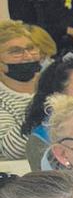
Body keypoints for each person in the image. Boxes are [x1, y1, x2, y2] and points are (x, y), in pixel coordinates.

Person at [0, 21, 42, 159]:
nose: (28, 56)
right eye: (16, 52)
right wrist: (43, 102)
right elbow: (12, 150)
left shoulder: (59, 84)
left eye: (31, 48)